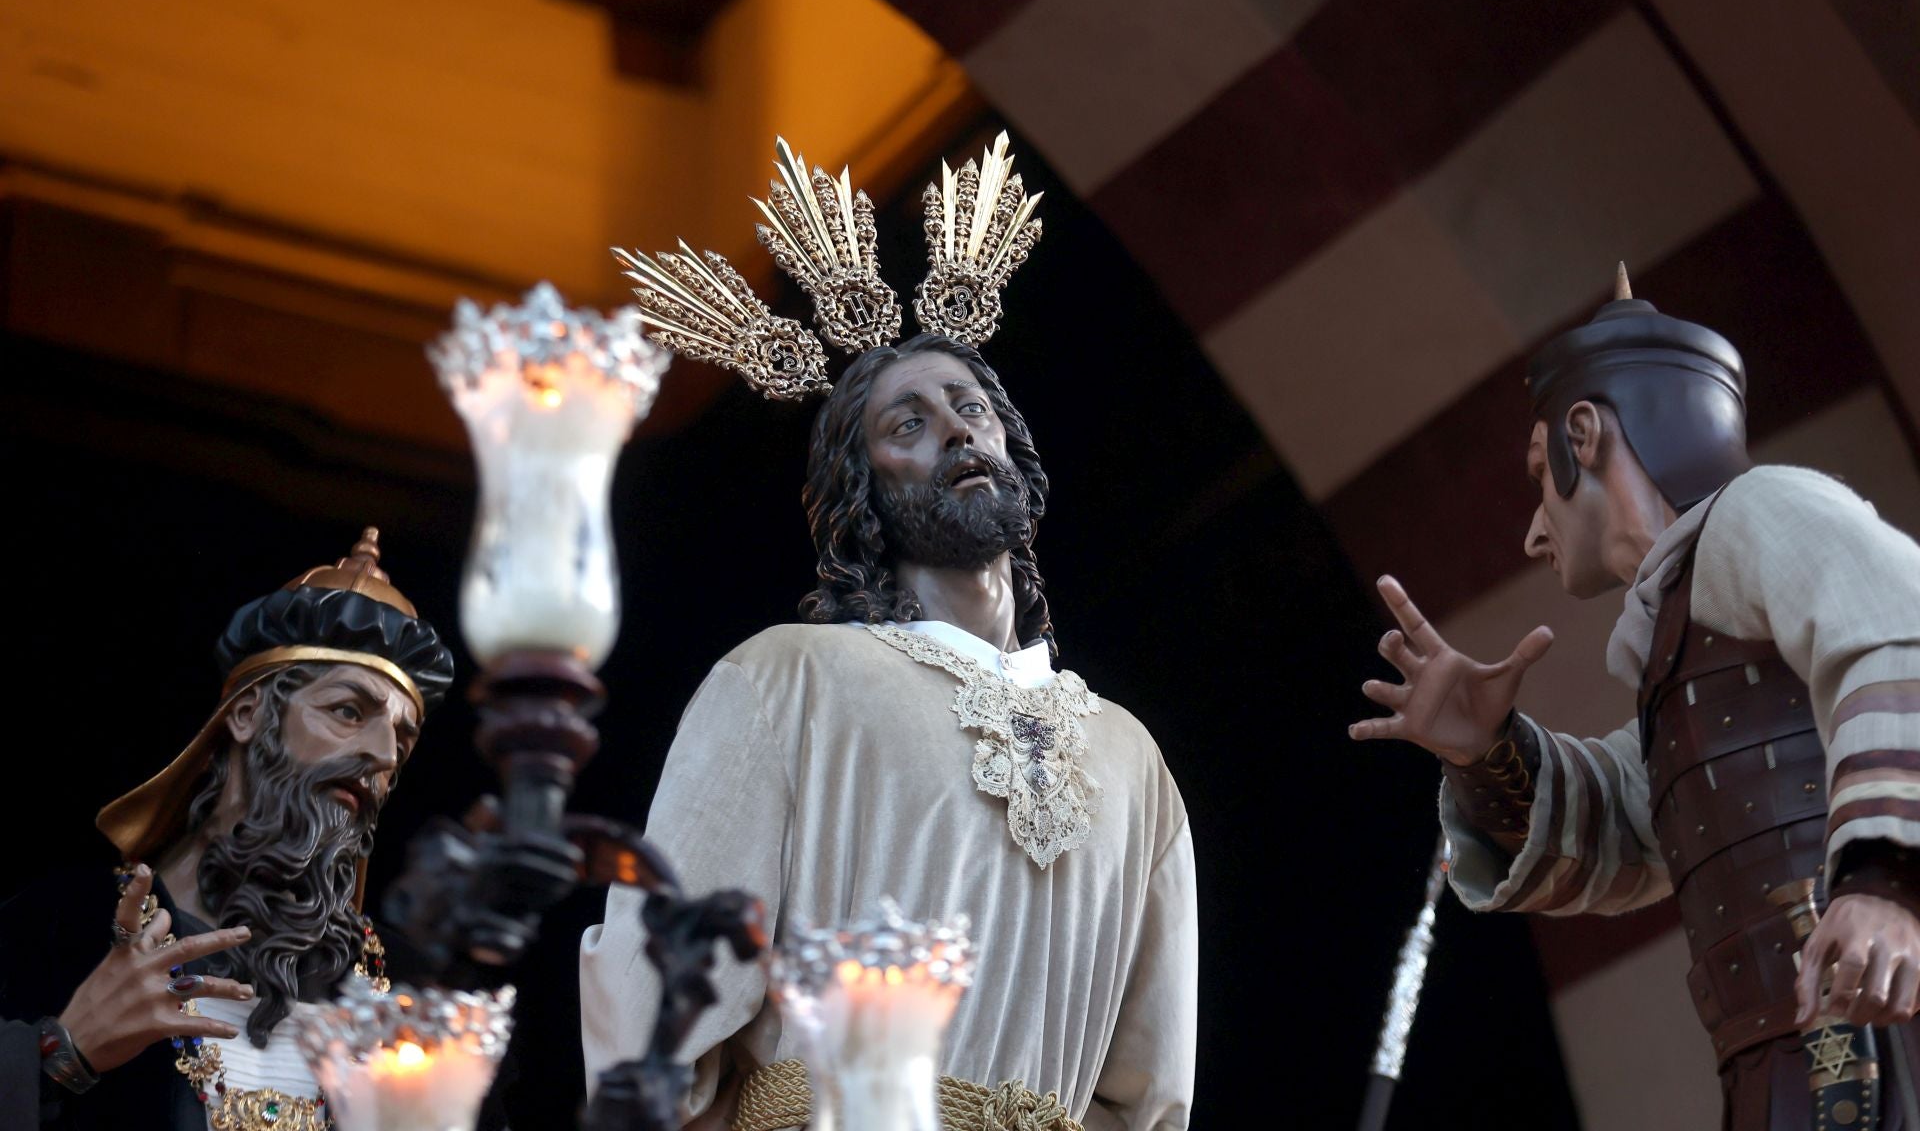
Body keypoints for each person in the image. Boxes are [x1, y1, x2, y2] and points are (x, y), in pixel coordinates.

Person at [583, 136, 1197, 1131]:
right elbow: (662, 1002)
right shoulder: (788, 678)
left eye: (970, 408)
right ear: (861, 493)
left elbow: (1150, 1088)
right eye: (904, 425)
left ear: (1013, 447)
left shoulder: (1133, 757)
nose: (955, 430)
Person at [1350, 268, 1920, 1126]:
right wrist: (1489, 750)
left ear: (1586, 432)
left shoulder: (1760, 511)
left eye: (1542, 475)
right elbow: (1621, 825)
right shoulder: (1681, 655)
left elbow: (1899, 631)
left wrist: (1886, 883)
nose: (1535, 530)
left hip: (1876, 1037)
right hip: (1788, 1064)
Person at [0, 527, 454, 1130]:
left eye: (403, 737)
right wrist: (62, 1052)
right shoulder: (60, 929)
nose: (384, 756)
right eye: (349, 711)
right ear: (247, 714)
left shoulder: (409, 997)